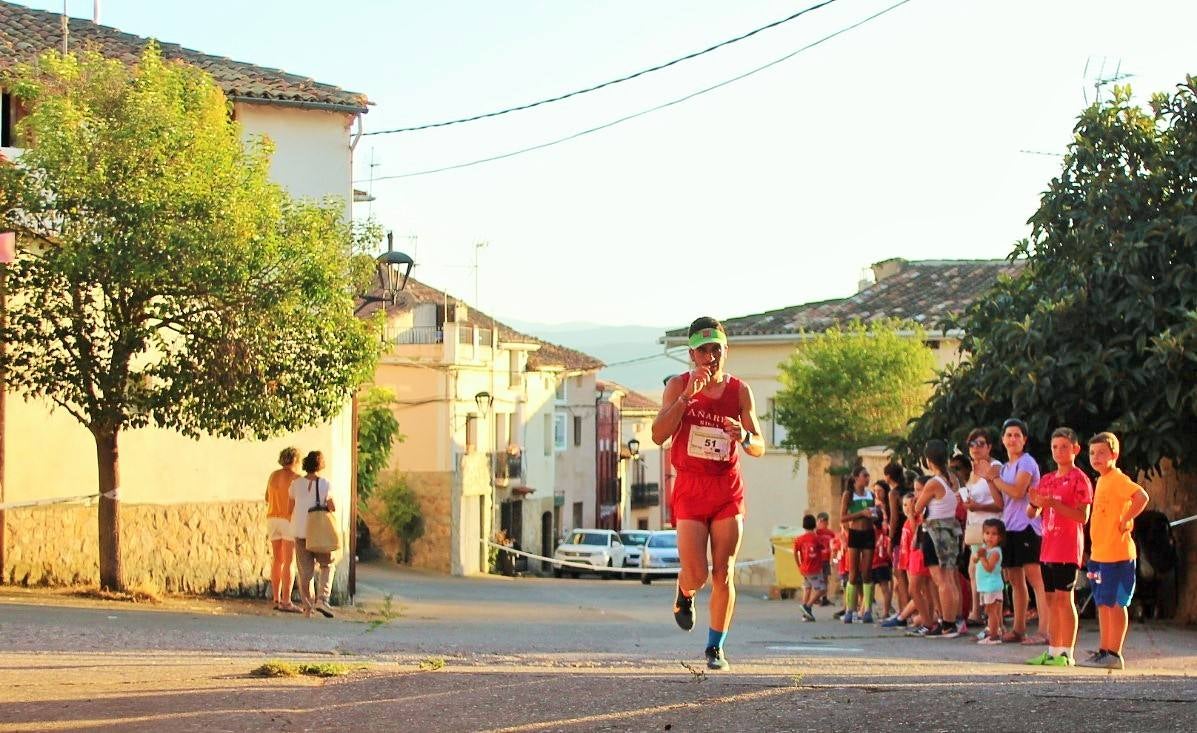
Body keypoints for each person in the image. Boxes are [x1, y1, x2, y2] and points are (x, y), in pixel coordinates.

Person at [652, 317, 764, 671]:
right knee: (697, 574)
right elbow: (658, 435)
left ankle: (715, 647)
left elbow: (760, 444)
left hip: (726, 486)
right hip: (690, 484)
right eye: (704, 350)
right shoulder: (677, 386)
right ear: (692, 354)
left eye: (717, 349)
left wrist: (743, 437)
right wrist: (686, 398)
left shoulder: (740, 391)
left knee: (724, 571)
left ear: (725, 351)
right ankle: (684, 593)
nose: (711, 356)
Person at [1079, 432, 1149, 670]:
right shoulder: (1101, 480)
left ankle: (1114, 652)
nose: (1096, 457)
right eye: (1092, 453)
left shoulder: (1118, 479)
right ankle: (1103, 649)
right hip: (1099, 556)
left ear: (1114, 455)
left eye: (1101, 453)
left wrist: (1125, 518)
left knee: (1116, 604)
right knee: (1102, 602)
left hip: (1117, 555)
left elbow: (1142, 496)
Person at [977, 418, 1049, 644]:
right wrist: (990, 480)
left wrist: (994, 478)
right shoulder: (1006, 468)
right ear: (1002, 440)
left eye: (1017, 435)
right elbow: (1001, 502)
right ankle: (1019, 629)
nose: (1013, 439)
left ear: (1024, 439)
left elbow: (1018, 492)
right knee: (1015, 581)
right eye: (1009, 435)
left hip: (1028, 527)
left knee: (1035, 580)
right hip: (1009, 528)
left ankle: (1044, 631)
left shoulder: (1026, 463)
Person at [1025, 427, 1093, 666]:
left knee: (1066, 599)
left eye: (1064, 446)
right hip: (1048, 547)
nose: (1059, 451)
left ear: (1075, 449)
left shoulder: (1080, 479)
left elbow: (1082, 516)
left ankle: (1067, 652)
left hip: (1067, 548)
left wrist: (1053, 503)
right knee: (1051, 600)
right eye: (1055, 447)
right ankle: (1053, 650)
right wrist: (1035, 505)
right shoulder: (1047, 479)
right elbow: (1032, 512)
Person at [913, 439, 963, 638]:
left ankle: (948, 623)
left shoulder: (933, 482)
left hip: (935, 531)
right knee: (950, 578)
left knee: (941, 580)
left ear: (928, 460)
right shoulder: (952, 478)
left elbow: (918, 507)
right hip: (951, 529)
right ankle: (952, 620)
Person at [961, 428, 1003, 631]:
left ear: (989, 447)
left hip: (990, 528)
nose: (975, 448)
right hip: (975, 527)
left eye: (980, 443)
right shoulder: (973, 470)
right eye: (972, 444)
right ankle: (978, 612)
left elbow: (1001, 502)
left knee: (986, 571)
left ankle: (987, 616)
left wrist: (978, 507)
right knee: (974, 570)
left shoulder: (995, 467)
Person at [289, 450, 337, 619]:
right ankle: (322, 600)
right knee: (327, 564)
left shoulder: (295, 484)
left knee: (305, 572)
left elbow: (290, 508)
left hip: (300, 532)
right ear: (320, 465)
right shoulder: (325, 484)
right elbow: (332, 506)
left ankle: (307, 607)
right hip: (318, 533)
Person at [265, 447, 301, 613]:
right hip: (288, 520)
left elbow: (267, 497)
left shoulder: (273, 475)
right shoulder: (296, 479)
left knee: (277, 559)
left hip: (272, 518)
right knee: (288, 561)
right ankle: (287, 601)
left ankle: (276, 597)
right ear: (295, 460)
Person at [839, 465, 877, 623]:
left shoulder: (871, 495)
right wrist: (861, 513)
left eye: (868, 476)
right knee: (853, 574)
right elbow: (842, 518)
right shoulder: (849, 494)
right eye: (864, 475)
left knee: (867, 572)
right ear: (856, 478)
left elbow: (874, 515)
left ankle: (867, 609)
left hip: (868, 533)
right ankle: (850, 609)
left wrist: (874, 515)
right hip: (855, 534)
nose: (867, 479)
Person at [882, 463, 911, 619]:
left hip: (899, 535)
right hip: (909, 533)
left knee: (900, 577)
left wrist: (891, 540)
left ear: (888, 476)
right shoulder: (909, 490)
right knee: (907, 576)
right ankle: (906, 611)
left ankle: (904, 612)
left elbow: (894, 518)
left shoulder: (893, 493)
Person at [974, 518, 1007, 646]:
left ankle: (993, 636)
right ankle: (997, 630)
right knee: (993, 611)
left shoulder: (995, 552)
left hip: (992, 586)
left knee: (991, 611)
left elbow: (989, 568)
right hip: (986, 586)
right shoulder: (984, 548)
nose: (990, 537)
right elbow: (974, 561)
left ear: (1000, 537)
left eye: (994, 534)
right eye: (987, 533)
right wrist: (977, 555)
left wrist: (982, 557)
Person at [793, 514, 828, 622]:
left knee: (807, 589)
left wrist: (799, 565)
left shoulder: (799, 539)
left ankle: (805, 614)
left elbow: (795, 552)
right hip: (814, 568)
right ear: (814, 525)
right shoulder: (816, 538)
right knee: (822, 589)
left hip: (804, 568)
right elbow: (823, 547)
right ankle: (807, 606)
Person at [814, 512, 836, 607]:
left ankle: (824, 598)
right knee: (818, 579)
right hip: (818, 559)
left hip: (826, 559)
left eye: (826, 520)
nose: (824, 522)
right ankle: (816, 598)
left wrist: (833, 559)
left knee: (825, 578)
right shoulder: (816, 532)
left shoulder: (830, 533)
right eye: (822, 521)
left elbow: (833, 546)